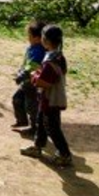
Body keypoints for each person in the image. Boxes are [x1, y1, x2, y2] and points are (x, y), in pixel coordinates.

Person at [21, 24, 73, 167]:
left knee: (53, 128)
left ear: (45, 40)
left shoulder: (51, 61)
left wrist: (34, 77)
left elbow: (45, 83)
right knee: (41, 124)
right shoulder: (58, 55)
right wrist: (38, 73)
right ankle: (37, 147)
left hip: (51, 100)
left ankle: (65, 155)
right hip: (46, 99)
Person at [11, 21, 46, 134]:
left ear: (38, 38)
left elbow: (32, 66)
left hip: (32, 83)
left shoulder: (39, 50)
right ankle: (22, 121)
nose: (28, 38)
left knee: (31, 106)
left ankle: (34, 127)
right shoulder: (33, 47)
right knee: (17, 99)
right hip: (26, 82)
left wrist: (22, 75)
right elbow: (26, 63)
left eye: (30, 36)